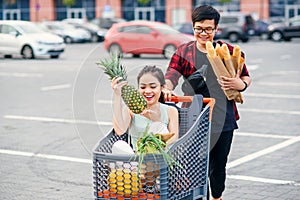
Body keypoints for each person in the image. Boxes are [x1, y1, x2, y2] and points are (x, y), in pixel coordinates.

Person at [163, 5, 252, 200]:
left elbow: (245, 77)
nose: (203, 33)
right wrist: (167, 88)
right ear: (193, 27)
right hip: (193, 117)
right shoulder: (184, 51)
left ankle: (216, 197)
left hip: (224, 116)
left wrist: (241, 84)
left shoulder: (228, 51)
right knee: (193, 164)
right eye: (199, 29)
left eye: (208, 29)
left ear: (216, 29)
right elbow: (171, 76)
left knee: (218, 166)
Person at [111, 65, 179, 151]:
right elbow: (120, 131)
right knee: (119, 145)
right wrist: (117, 95)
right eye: (143, 87)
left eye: (153, 87)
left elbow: (174, 139)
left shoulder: (170, 111)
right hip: (137, 160)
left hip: (161, 158)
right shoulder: (131, 110)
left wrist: (157, 121)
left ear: (162, 87)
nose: (147, 91)